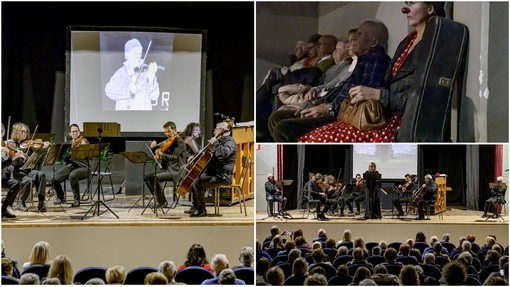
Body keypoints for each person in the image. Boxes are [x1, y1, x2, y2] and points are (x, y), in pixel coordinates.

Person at [300, 2, 449, 142]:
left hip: (396, 122)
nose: (406, 9)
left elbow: (424, 99)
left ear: (430, 9)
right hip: (384, 112)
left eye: (413, 3)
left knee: (317, 139)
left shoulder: (432, 46)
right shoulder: (407, 41)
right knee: (313, 135)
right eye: (407, 3)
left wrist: (377, 94)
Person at [270, 19, 391, 142]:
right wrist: (318, 104)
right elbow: (340, 88)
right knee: (277, 117)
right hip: (333, 107)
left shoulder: (376, 60)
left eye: (360, 34)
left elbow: (359, 96)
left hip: (342, 114)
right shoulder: (363, 60)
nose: (354, 39)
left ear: (374, 41)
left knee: (283, 128)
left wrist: (327, 109)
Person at [190, 121, 237, 217]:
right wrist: (195, 155)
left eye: (216, 129)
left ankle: (201, 210)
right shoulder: (220, 141)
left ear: (222, 131)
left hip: (223, 176)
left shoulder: (230, 141)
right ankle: (196, 207)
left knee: (197, 182)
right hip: (215, 173)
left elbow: (224, 152)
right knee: (193, 178)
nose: (214, 131)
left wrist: (215, 143)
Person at [105, 38, 160, 110]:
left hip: (142, 117)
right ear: (127, 55)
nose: (138, 56)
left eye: (140, 53)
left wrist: (151, 79)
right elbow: (108, 90)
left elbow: (155, 96)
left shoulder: (147, 72)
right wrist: (128, 91)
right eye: (135, 53)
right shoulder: (120, 72)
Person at [7, 122, 50, 212]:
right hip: (16, 171)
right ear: (16, 132)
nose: (24, 134)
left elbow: (38, 154)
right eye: (22, 131)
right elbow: (10, 160)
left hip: (26, 170)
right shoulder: (11, 143)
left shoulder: (28, 144)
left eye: (26, 132)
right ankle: (21, 203)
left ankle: (41, 202)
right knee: (28, 180)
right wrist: (18, 154)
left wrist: (43, 147)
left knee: (40, 175)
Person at [144, 121, 186, 208]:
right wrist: (155, 148)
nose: (167, 134)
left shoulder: (180, 143)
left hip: (176, 170)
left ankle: (162, 202)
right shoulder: (169, 142)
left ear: (175, 130)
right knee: (147, 176)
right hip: (167, 168)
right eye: (165, 132)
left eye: (169, 131)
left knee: (155, 177)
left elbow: (174, 157)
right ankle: (159, 199)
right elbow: (162, 151)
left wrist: (162, 154)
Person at [51, 124, 89, 207]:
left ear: (79, 132)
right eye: (73, 132)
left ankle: (76, 200)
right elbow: (64, 160)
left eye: (76, 131)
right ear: (70, 133)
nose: (75, 133)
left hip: (83, 167)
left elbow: (89, 154)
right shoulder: (68, 145)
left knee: (73, 175)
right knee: (54, 179)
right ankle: (61, 198)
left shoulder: (84, 142)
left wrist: (84, 148)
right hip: (71, 166)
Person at [1, 123, 21, 218]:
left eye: (1, 132)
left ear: (3, 133)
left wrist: (14, 155)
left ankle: (3, 209)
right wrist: (12, 158)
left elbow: (4, 163)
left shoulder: (5, 145)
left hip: (2, 176)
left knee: (16, 183)